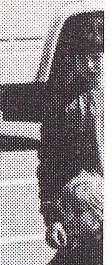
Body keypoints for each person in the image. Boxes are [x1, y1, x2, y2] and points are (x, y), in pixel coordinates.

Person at [38, 26, 103, 198]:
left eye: (96, 58)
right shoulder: (66, 107)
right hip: (89, 200)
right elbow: (49, 163)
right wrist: (51, 215)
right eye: (82, 59)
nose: (89, 66)